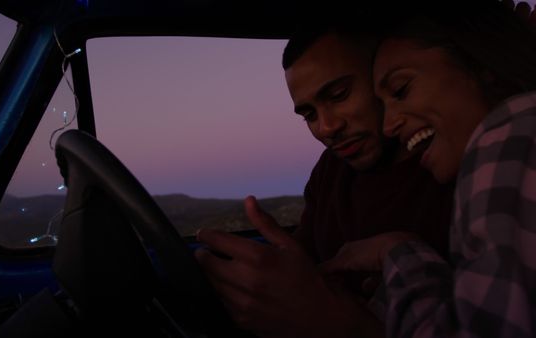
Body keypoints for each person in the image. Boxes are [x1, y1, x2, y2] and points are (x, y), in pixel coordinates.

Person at [194, 4, 455, 338]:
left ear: (383, 74)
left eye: (338, 95)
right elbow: (306, 266)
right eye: (309, 115)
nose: (326, 128)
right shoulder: (333, 170)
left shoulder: (455, 167)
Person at [323, 1, 536, 337]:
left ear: (481, 64)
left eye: (401, 90)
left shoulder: (509, 132)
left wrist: (397, 253)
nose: (389, 125)